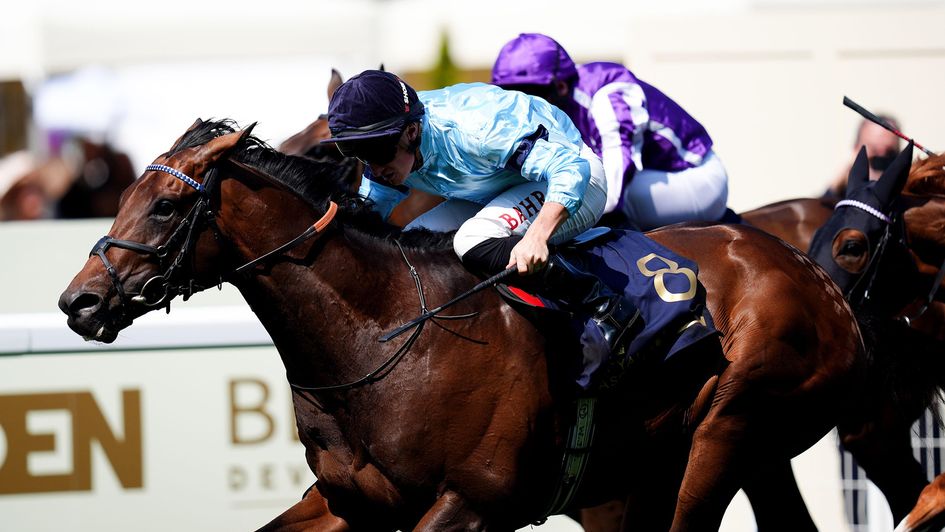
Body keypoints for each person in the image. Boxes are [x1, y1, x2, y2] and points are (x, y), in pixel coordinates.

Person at [321, 70, 638, 365]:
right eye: (362, 156)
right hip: (500, 188)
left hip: (573, 180)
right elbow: (368, 215)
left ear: (412, 131)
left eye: (378, 154)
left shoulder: (476, 129)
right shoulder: (395, 140)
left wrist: (537, 236)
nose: (374, 170)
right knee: (410, 246)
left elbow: (571, 169)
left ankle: (602, 303)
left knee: (472, 239)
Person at [492, 33, 730, 231]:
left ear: (561, 86)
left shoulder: (608, 98)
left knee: (586, 195)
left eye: (530, 92)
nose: (524, 105)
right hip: (649, 175)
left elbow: (613, 192)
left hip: (695, 178)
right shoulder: (559, 98)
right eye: (511, 94)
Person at [825, 116, 902, 199]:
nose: (882, 155)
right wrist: (837, 185)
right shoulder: (841, 191)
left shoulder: (906, 194)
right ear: (856, 149)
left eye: (889, 153)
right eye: (874, 150)